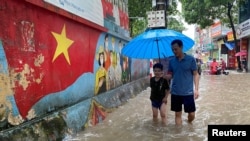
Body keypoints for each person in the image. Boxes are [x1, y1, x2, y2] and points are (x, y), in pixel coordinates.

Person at [166, 39, 199, 126]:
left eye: (176, 49)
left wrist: (196, 89)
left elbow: (196, 74)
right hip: (175, 92)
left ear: (181, 47)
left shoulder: (190, 59)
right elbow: (170, 74)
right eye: (172, 49)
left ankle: (189, 123)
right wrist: (164, 76)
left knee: (192, 114)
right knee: (177, 114)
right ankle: (179, 135)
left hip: (188, 92)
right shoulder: (171, 61)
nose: (174, 51)